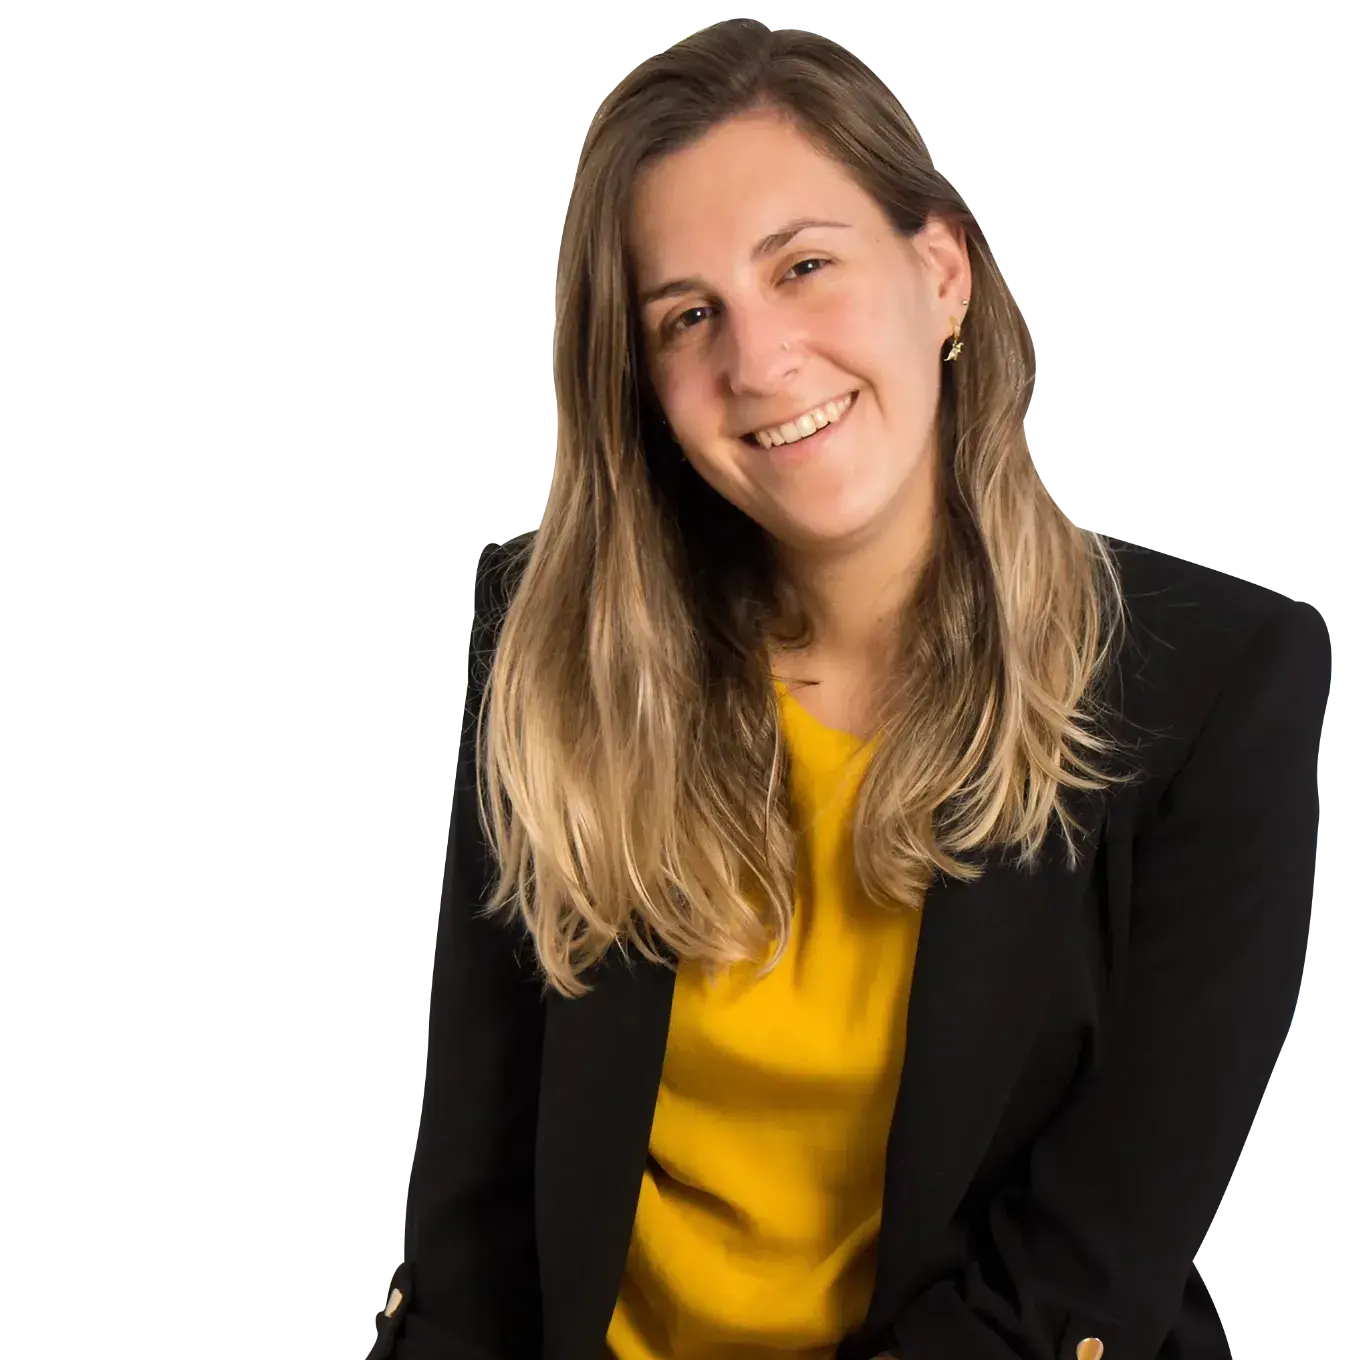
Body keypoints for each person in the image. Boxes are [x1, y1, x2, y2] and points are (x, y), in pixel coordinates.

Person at [363, 19, 1334, 1360]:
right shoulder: (553, 645)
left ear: (944, 276)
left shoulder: (1219, 684)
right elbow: (470, 1221)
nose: (758, 364)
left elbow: (1083, 1277)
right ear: (639, 385)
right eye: (685, 317)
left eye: (804, 267)